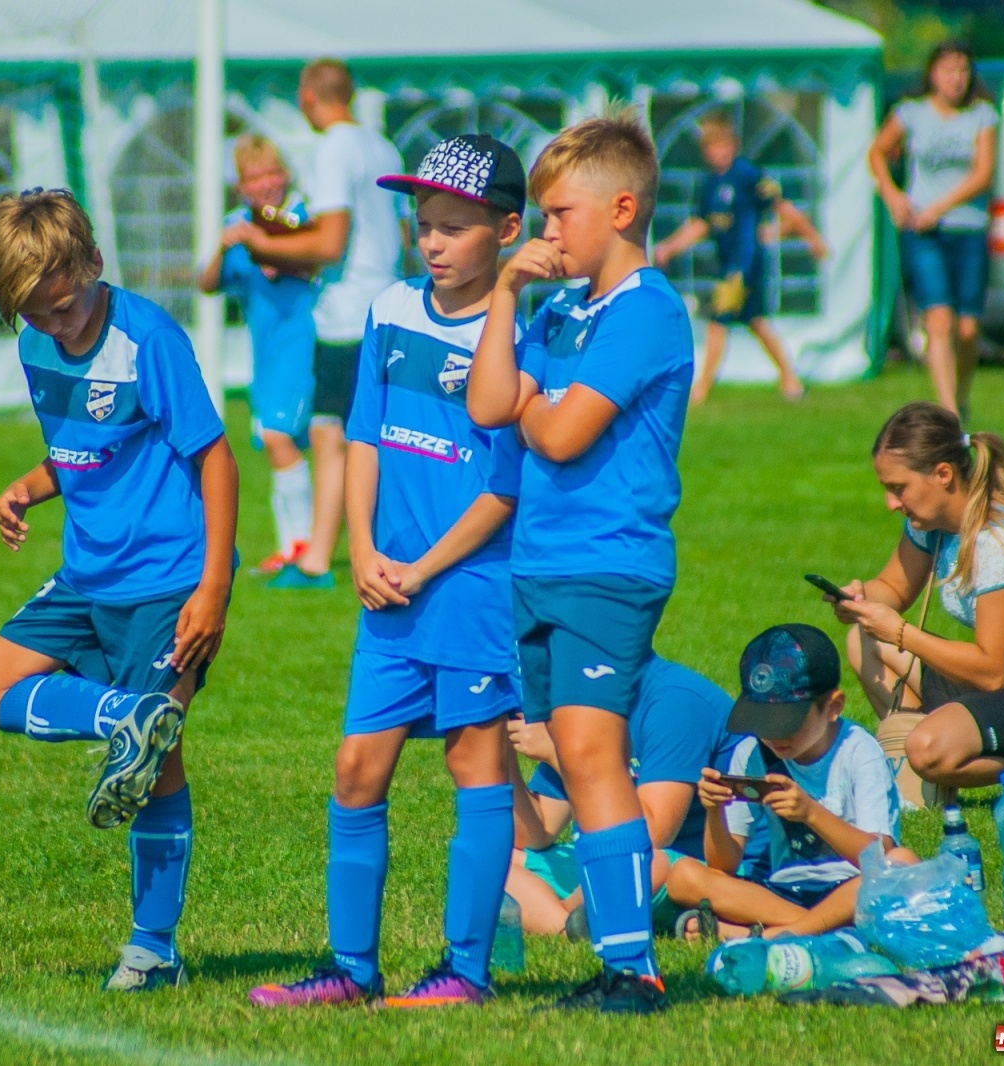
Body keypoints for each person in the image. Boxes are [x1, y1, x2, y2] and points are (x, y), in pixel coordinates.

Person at [248, 135, 527, 1009]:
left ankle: (465, 971)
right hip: (389, 588)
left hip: (472, 587)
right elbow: (364, 436)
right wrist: (362, 550)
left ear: (508, 231)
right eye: (423, 225)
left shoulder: (520, 332)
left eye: (453, 227)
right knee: (356, 769)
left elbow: (505, 486)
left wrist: (424, 565)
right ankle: (351, 970)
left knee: (474, 767)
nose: (432, 243)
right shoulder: (391, 310)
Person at [0, 189, 240, 993]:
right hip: (86, 576)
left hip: (169, 580)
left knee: (160, 762)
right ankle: (123, 715)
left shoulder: (148, 338)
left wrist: (214, 585)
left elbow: (216, 460)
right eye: (39, 316)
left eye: (68, 304)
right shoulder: (36, 345)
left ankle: (152, 951)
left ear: (93, 264)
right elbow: (84, 452)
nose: (60, 325)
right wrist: (30, 485)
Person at [467, 107, 694, 1015]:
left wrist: (531, 396)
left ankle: (632, 966)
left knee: (594, 754)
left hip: (611, 563)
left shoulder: (648, 311)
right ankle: (621, 958)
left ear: (624, 209)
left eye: (559, 214)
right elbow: (491, 403)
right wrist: (506, 299)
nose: (546, 231)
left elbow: (555, 434)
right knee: (575, 747)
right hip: (540, 564)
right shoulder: (558, 308)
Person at [829, 402, 1004, 808]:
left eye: (898, 488)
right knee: (863, 640)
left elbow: (992, 671)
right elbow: (892, 587)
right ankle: (926, 770)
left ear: (942, 474)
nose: (891, 503)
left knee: (925, 748)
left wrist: (899, 632)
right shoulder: (932, 524)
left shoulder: (999, 542)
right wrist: (858, 601)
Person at [229, 57, 405, 590]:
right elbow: (398, 230)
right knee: (372, 439)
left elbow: (329, 244)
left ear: (309, 98)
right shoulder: (383, 145)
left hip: (349, 313)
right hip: (389, 300)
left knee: (332, 437)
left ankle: (316, 562)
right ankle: (351, 552)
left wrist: (260, 242)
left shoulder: (334, 148)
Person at [666, 625, 910, 941]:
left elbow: (878, 857)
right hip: (781, 893)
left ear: (833, 706)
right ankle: (817, 927)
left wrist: (811, 813)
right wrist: (714, 811)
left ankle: (763, 936)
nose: (774, 736)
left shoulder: (858, 750)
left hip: (852, 884)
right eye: (764, 722)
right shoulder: (753, 752)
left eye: (788, 723)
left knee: (901, 862)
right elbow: (724, 865)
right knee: (683, 876)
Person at [503, 654, 747, 939]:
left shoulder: (674, 703)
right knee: (502, 858)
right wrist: (501, 747)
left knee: (645, 862)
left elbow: (650, 835)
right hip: (627, 864)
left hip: (695, 868)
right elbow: (537, 831)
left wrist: (561, 756)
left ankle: (574, 916)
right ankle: (570, 925)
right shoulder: (581, 704)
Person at [200, 133, 318, 575]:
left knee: (279, 437)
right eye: (254, 177)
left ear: (285, 173)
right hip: (265, 355)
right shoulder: (239, 222)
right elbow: (207, 283)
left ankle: (301, 548)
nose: (265, 183)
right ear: (241, 186)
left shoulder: (306, 216)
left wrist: (274, 250)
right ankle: (290, 546)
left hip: (305, 344)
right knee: (275, 444)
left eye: (271, 172)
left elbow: (316, 262)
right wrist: (225, 246)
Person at [653, 110, 828, 405]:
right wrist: (669, 247)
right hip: (728, 262)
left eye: (723, 146)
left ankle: (701, 388)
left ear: (733, 146)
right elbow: (701, 224)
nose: (718, 153)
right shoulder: (710, 185)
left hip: (743, 265)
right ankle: (791, 380)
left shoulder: (746, 175)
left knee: (717, 322)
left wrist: (811, 237)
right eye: (712, 148)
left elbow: (781, 206)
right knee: (756, 321)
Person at [868, 41, 997, 419]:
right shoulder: (911, 113)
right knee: (938, 320)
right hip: (924, 233)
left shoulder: (982, 116)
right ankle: (949, 412)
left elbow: (983, 174)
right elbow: (876, 152)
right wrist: (893, 196)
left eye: (961, 70)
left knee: (968, 329)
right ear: (932, 74)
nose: (955, 78)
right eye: (947, 70)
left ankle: (961, 393)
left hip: (968, 227)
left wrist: (940, 207)